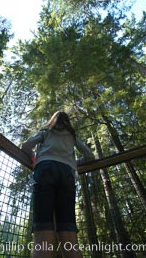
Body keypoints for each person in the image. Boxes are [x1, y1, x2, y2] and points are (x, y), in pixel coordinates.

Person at [22, 111, 95, 258]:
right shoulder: (72, 136)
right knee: (69, 235)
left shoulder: (46, 131)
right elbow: (89, 156)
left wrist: (33, 157)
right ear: (67, 121)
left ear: (52, 120)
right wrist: (73, 163)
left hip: (45, 169)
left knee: (42, 234)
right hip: (67, 174)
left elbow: (26, 146)